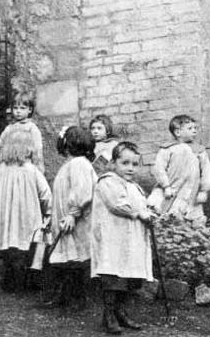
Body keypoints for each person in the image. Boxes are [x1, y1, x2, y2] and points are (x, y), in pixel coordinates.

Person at [91, 142, 156, 334]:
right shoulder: (107, 181)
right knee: (113, 275)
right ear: (113, 163)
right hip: (113, 238)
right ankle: (109, 315)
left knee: (129, 276)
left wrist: (149, 212)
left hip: (131, 239)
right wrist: (140, 213)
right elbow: (117, 204)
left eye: (134, 164)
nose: (130, 168)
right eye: (125, 163)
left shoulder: (134, 186)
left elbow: (140, 205)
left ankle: (121, 312)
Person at [0, 130, 51, 293]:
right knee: (22, 249)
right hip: (24, 216)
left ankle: (9, 281)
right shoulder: (31, 170)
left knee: (8, 249)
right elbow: (46, 194)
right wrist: (49, 212)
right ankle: (22, 283)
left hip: (3, 217)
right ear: (27, 149)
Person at [44, 126, 97, 308]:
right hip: (64, 217)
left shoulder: (79, 164)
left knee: (75, 259)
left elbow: (83, 193)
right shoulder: (70, 164)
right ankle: (64, 296)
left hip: (74, 219)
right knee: (66, 257)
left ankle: (77, 298)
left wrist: (73, 214)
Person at [147, 114, 210, 226]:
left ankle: (191, 232)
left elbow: (206, 171)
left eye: (195, 128)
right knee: (165, 209)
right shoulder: (168, 149)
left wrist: (203, 190)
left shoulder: (199, 150)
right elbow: (159, 168)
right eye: (190, 128)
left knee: (192, 212)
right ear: (178, 132)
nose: (194, 131)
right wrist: (165, 186)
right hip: (171, 187)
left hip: (192, 189)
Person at [0, 92, 44, 173]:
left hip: (26, 168)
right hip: (9, 168)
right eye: (15, 108)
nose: (18, 111)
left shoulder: (32, 129)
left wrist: (38, 170)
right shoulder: (9, 129)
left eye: (22, 108)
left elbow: (37, 151)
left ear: (29, 110)